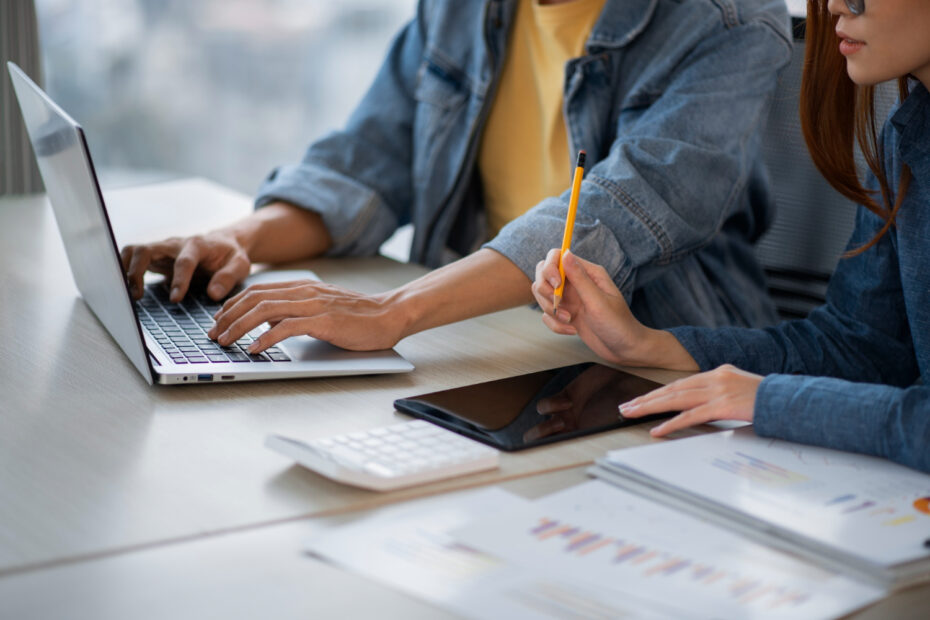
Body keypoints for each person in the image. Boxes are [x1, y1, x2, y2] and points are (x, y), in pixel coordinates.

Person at [121, 0, 791, 355]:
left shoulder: (725, 21)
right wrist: (240, 239)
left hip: (640, 358)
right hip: (477, 332)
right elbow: (370, 157)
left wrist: (393, 311)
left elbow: (617, 214)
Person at [532, 0, 930, 472]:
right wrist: (648, 345)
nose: (835, 6)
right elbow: (862, 346)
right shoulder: (907, 138)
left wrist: (772, 400)